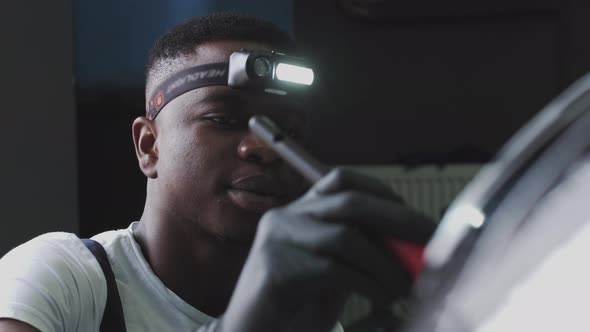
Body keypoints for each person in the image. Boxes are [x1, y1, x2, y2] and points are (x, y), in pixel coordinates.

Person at [0, 12, 434, 332]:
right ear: (149, 146)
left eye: (289, 130)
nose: (263, 147)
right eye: (223, 120)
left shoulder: (304, 321)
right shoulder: (64, 280)